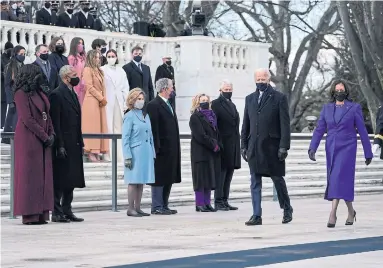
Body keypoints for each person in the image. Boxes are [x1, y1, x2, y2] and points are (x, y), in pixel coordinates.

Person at [308, 80, 373, 228]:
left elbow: (362, 131)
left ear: (346, 91)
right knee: (339, 180)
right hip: (331, 148)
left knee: (337, 177)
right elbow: (319, 129)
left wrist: (368, 152)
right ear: (333, 91)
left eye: (342, 89)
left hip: (348, 148)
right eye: (337, 89)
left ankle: (333, 213)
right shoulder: (327, 108)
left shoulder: (354, 108)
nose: (339, 92)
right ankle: (351, 211)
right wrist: (313, 148)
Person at [241, 68, 293, 226]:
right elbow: (246, 124)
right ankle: (256, 215)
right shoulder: (249, 99)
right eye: (258, 78)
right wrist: (243, 145)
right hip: (254, 148)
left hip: (272, 147)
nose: (260, 81)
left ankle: (287, 208)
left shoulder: (279, 98)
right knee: (255, 181)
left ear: (268, 79)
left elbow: (285, 124)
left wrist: (284, 146)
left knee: (277, 179)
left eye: (263, 78)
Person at [13, 64, 54, 225]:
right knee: (29, 176)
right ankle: (29, 214)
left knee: (42, 176)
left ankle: (42, 212)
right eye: (37, 73)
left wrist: (51, 133)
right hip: (28, 139)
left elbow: (47, 114)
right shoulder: (21, 93)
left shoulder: (40, 92)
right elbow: (27, 118)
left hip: (42, 137)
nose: (40, 76)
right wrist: (45, 136)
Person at [49, 65, 85, 223]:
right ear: (65, 77)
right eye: (73, 74)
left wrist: (81, 141)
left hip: (74, 142)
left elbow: (77, 121)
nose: (76, 77)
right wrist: (60, 145)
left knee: (71, 178)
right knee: (60, 179)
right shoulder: (56, 94)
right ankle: (56, 212)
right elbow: (56, 122)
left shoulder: (73, 93)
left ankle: (67, 209)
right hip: (63, 143)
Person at [146, 78, 181, 215]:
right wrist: (156, 147)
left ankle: (164, 204)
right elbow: (154, 129)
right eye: (171, 87)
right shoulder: (153, 105)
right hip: (160, 148)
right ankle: (157, 206)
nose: (173, 89)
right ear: (164, 88)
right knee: (159, 178)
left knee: (168, 176)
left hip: (171, 148)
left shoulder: (169, 103)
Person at [122, 88, 155, 217]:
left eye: (142, 99)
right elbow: (125, 138)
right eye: (138, 99)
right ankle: (130, 208)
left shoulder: (145, 115)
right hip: (135, 152)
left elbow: (150, 135)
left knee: (141, 181)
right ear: (132, 100)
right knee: (133, 180)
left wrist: (152, 152)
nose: (141, 101)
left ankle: (138, 207)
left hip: (145, 152)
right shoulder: (129, 116)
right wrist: (127, 156)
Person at [211, 80, 241, 211]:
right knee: (221, 174)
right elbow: (213, 126)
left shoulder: (232, 105)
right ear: (220, 90)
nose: (228, 91)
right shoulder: (216, 104)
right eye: (226, 89)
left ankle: (225, 200)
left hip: (233, 144)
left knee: (229, 173)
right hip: (222, 144)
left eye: (230, 89)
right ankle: (218, 201)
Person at [189, 94, 221, 212]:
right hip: (200, 152)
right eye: (202, 101)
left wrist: (217, 144)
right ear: (197, 102)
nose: (205, 102)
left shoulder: (212, 116)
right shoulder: (195, 117)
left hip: (210, 153)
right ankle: (199, 204)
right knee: (200, 180)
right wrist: (214, 144)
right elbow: (200, 135)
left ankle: (207, 203)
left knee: (208, 179)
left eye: (207, 100)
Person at [101, 49, 129, 162]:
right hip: (107, 101)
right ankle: (108, 155)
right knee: (108, 127)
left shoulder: (121, 71)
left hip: (119, 101)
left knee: (119, 128)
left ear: (116, 57)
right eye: (109, 56)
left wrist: (126, 102)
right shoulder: (102, 70)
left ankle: (119, 155)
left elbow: (125, 87)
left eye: (113, 56)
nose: (111, 58)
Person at [82, 49, 109, 162]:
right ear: (90, 58)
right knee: (92, 126)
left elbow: (103, 87)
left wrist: (103, 98)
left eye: (99, 57)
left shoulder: (99, 71)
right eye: (95, 57)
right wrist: (101, 97)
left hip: (99, 101)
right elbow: (90, 87)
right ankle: (90, 150)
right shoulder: (87, 70)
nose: (97, 59)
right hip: (91, 101)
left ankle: (98, 150)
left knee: (101, 127)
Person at [2, 45, 25, 145]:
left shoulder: (23, 66)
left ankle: (16, 137)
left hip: (21, 96)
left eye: (24, 54)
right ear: (15, 54)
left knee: (17, 117)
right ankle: (7, 138)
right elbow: (7, 85)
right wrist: (10, 100)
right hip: (13, 96)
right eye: (21, 54)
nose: (23, 56)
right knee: (11, 118)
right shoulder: (10, 66)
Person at [68, 37, 87, 105]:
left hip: (84, 86)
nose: (81, 45)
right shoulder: (71, 58)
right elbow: (70, 73)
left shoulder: (84, 58)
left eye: (82, 43)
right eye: (79, 43)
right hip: (76, 86)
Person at [1, 41, 13, 128]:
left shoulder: (11, 59)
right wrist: (7, 74)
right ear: (5, 50)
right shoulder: (1, 59)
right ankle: (1, 124)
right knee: (3, 106)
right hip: (2, 86)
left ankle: (5, 124)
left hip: (9, 87)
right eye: (10, 50)